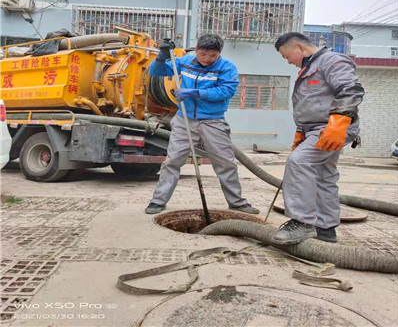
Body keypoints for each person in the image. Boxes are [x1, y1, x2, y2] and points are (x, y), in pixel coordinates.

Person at [145, 34, 259, 215]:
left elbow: (226, 91)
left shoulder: (226, 67)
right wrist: (161, 56)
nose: (207, 59)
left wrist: (195, 93)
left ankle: (237, 202)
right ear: (196, 49)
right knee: (172, 161)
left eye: (212, 56)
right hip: (184, 120)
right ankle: (158, 201)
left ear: (219, 54)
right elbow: (156, 72)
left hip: (213, 121)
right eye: (203, 54)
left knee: (225, 163)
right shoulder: (185, 61)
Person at [271, 32, 365, 245]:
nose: (288, 62)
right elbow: (313, 102)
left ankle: (302, 223)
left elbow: (350, 90)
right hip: (316, 130)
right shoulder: (311, 66)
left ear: (300, 47)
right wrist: (301, 130)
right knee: (324, 175)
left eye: (288, 56)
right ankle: (326, 229)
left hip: (331, 129)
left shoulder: (332, 61)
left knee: (299, 162)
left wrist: (339, 122)